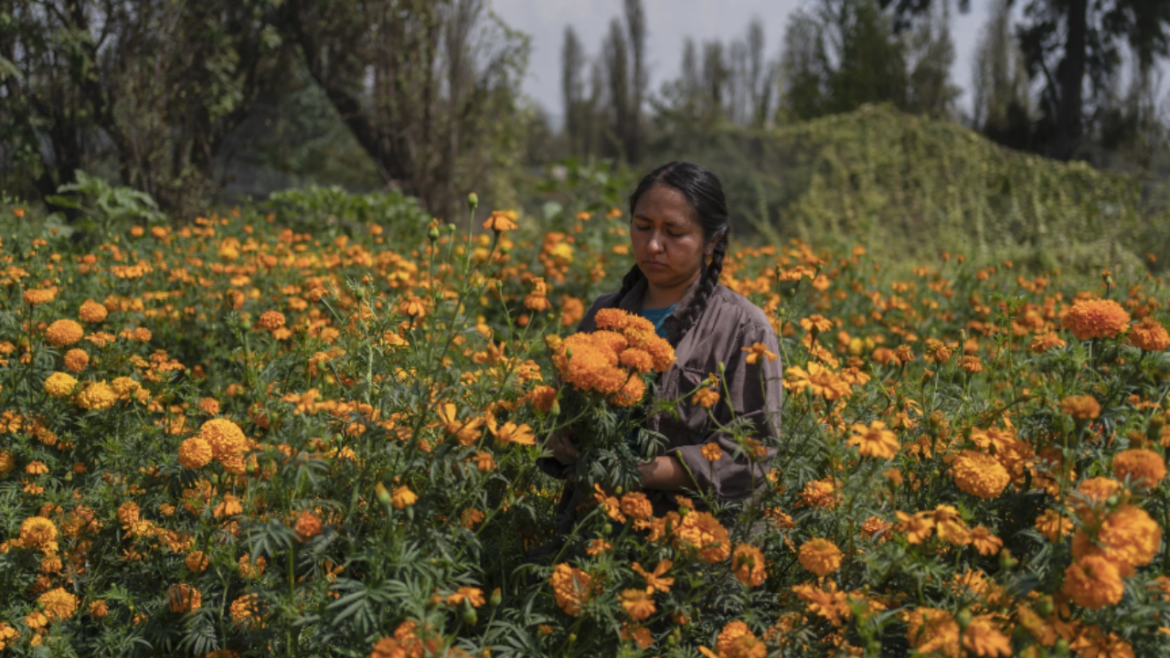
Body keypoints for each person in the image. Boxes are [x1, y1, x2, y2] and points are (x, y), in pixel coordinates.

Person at [535, 161, 784, 543]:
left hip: (683, 548)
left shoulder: (744, 329)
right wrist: (556, 436)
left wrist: (645, 470)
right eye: (642, 226)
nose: (653, 245)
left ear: (713, 240)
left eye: (674, 232)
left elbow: (753, 455)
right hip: (589, 531)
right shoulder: (604, 314)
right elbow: (563, 415)